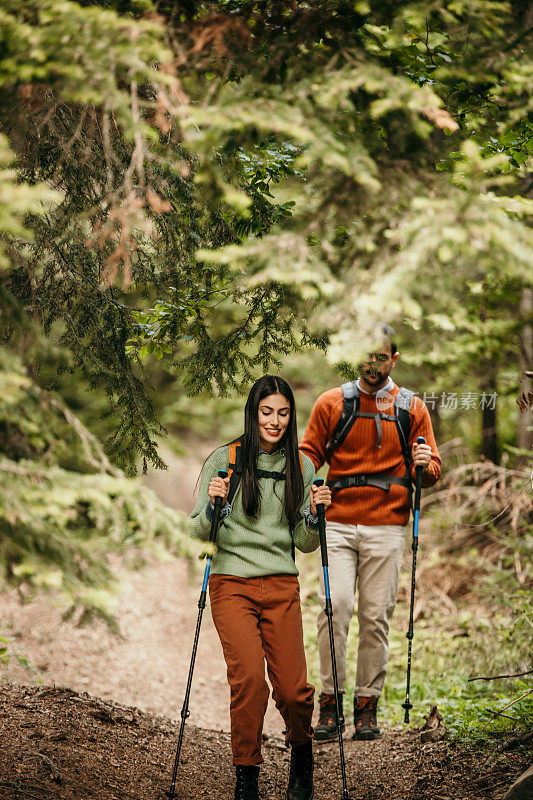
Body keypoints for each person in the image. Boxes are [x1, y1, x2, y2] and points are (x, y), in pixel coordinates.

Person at [190, 375, 332, 800]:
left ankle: (302, 755)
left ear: (291, 417)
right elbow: (197, 532)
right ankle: (246, 775)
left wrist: (314, 515)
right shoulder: (226, 459)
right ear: (253, 413)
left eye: (283, 413)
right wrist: (214, 503)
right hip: (231, 584)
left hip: (281, 584)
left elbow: (305, 545)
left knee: (294, 691)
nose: (274, 421)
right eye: (266, 412)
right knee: (250, 679)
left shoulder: (301, 467)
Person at [299, 324, 441, 742]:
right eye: (366, 355)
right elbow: (309, 453)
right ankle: (330, 704)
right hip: (339, 522)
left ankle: (366, 706)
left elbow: (432, 471)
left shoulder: (411, 407)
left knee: (376, 617)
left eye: (381, 357)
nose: (372, 364)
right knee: (334, 608)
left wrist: (423, 461)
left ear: (394, 358)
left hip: (388, 526)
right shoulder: (332, 403)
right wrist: (309, 489)